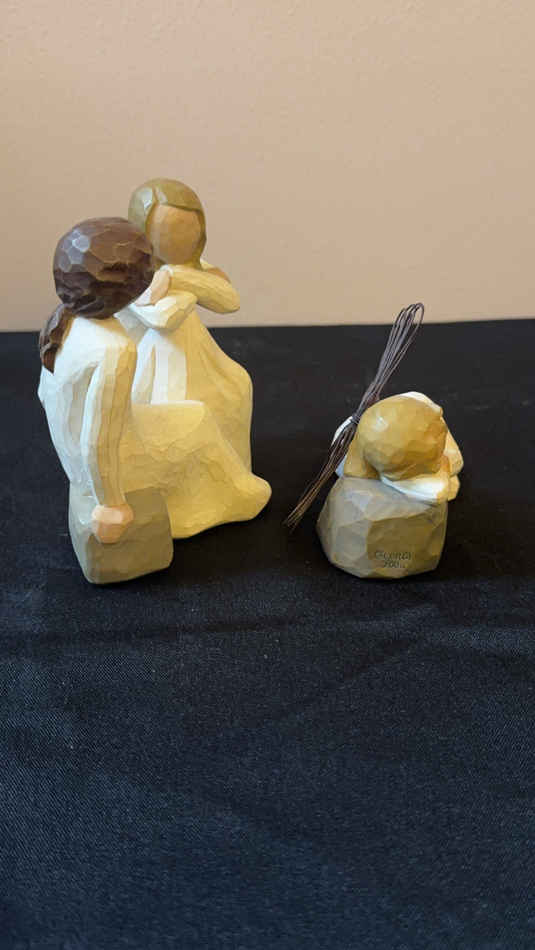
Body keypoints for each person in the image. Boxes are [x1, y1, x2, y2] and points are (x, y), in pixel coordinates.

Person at [115, 178, 271, 536]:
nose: (181, 239)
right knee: (177, 412)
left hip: (197, 352)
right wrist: (183, 286)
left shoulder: (188, 268)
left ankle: (229, 481)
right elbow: (162, 318)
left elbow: (229, 299)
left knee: (235, 386)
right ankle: (180, 499)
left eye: (189, 228)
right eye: (169, 230)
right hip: (154, 358)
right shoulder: (131, 274)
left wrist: (177, 276)